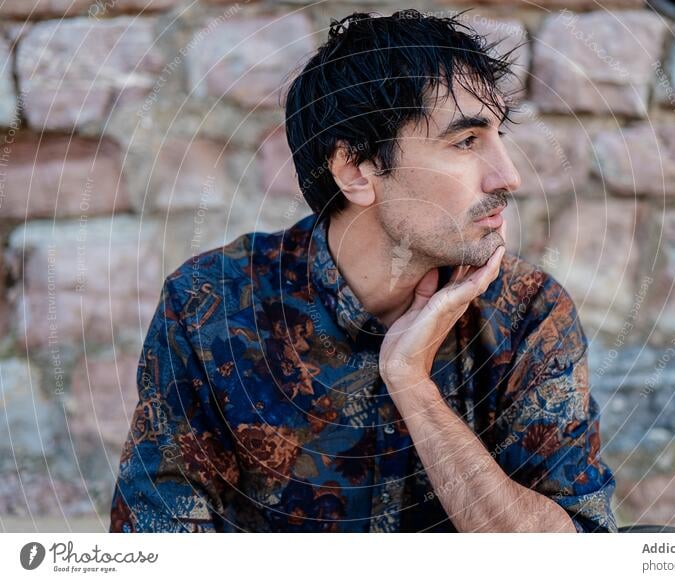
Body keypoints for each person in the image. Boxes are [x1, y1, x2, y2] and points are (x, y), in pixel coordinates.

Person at [110, 9, 617, 533]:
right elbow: (154, 542)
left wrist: (412, 385)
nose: (507, 176)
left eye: (497, 137)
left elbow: (579, 553)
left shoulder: (528, 311)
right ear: (355, 171)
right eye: (466, 142)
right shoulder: (211, 305)